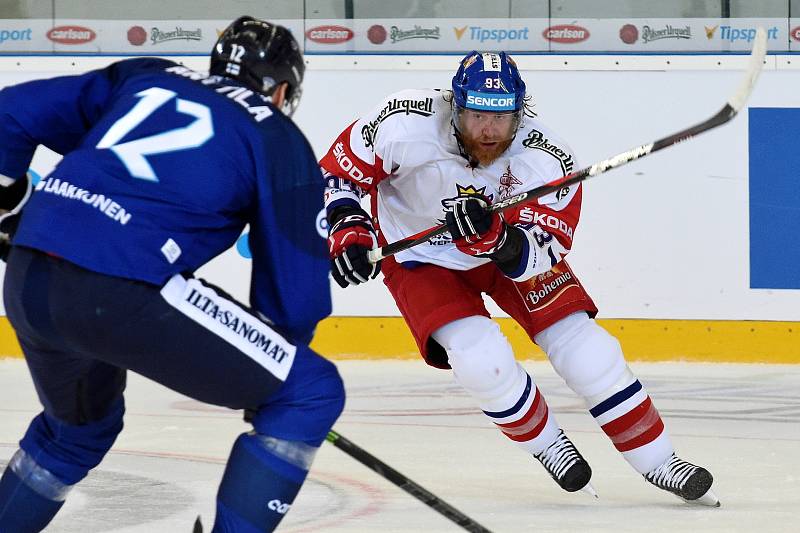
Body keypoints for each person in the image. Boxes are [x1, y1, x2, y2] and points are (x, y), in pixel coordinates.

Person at [320, 50, 719, 506]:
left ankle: (660, 460)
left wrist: (497, 238)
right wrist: (349, 230)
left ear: (520, 111)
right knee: (480, 361)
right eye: (476, 116)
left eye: (501, 118)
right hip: (418, 256)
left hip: (504, 254)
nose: (489, 131)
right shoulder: (402, 120)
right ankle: (549, 445)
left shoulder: (547, 159)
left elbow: (540, 253)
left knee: (590, 351)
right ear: (456, 105)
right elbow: (338, 175)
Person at [0, 16, 344, 532]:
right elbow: (294, 301)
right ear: (283, 89)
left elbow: (8, 113)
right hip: (119, 287)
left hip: (28, 277)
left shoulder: (147, 74)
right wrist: (273, 389)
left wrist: (9, 208)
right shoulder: (277, 136)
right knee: (310, 391)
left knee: (74, 432)